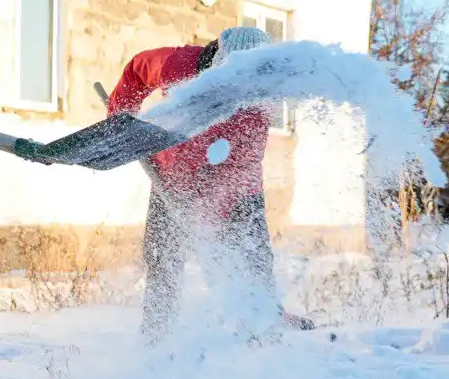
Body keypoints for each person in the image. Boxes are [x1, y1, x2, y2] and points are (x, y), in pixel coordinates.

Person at [108, 26, 312, 343]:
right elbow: (137, 70)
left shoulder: (261, 95)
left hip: (237, 186)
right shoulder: (177, 65)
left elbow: (241, 162)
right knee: (164, 260)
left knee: (254, 259)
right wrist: (121, 114)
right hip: (171, 179)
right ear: (218, 61)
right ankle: (156, 336)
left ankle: (262, 322)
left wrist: (208, 217)